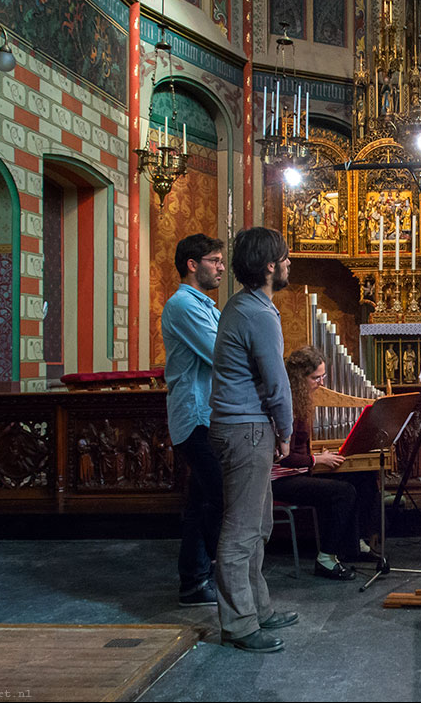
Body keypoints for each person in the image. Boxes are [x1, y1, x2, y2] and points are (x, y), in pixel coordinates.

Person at [208, 227, 298, 653]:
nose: (288, 263)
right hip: (247, 429)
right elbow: (277, 381)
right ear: (268, 266)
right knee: (242, 531)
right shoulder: (257, 313)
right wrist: (287, 430)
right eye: (284, 257)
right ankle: (239, 624)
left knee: (259, 527)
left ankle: (258, 608)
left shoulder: (245, 306)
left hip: (244, 426)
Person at [273, 345, 380, 581]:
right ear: (299, 378)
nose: (321, 382)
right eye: (316, 377)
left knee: (363, 477)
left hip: (299, 471)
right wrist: (316, 460)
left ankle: (354, 545)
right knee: (343, 493)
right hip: (281, 479)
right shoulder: (286, 403)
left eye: (323, 376)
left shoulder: (301, 399)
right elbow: (284, 455)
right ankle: (326, 559)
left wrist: (317, 456)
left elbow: (299, 447)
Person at [161, 234, 226, 607]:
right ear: (192, 264)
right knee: (217, 498)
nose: (220, 267)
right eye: (214, 260)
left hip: (207, 414)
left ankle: (194, 581)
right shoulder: (183, 305)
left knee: (203, 499)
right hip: (197, 415)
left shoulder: (205, 305)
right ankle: (209, 575)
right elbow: (220, 353)